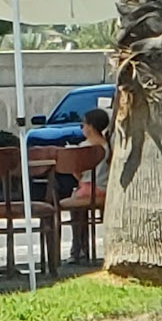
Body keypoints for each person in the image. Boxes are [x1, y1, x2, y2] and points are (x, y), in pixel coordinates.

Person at [68, 106, 113, 265]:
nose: (82, 128)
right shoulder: (108, 145)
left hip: (87, 189)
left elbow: (78, 173)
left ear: (91, 127)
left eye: (83, 124)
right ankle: (84, 248)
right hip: (104, 188)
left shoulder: (84, 147)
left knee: (74, 205)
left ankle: (78, 248)